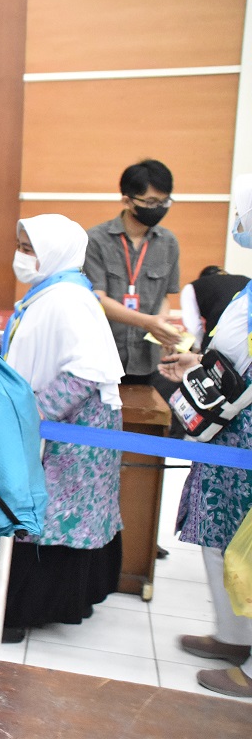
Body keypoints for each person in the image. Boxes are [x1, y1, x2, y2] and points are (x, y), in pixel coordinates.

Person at [0, 215, 125, 644]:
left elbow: (86, 371)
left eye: (29, 248)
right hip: (69, 425)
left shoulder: (65, 298)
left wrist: (33, 415)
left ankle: (17, 615)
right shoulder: (54, 291)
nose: (21, 256)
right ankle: (29, 608)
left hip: (73, 430)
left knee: (49, 519)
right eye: (20, 245)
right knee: (56, 517)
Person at [159, 174, 252, 698]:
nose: (235, 225)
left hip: (244, 434)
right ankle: (235, 636)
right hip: (230, 430)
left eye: (239, 213)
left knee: (249, 545)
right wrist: (200, 367)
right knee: (224, 539)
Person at [84, 159, 182, 383]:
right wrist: (147, 322)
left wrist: (162, 324)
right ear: (127, 201)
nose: (158, 208)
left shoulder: (168, 243)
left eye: (164, 202)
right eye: (150, 202)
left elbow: (164, 295)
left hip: (146, 361)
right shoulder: (96, 240)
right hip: (101, 356)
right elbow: (97, 299)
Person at [180, 265, 250, 352]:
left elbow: (193, 327)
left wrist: (197, 350)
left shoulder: (194, 286)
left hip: (223, 334)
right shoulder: (244, 279)